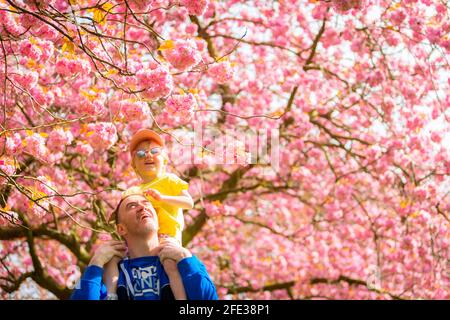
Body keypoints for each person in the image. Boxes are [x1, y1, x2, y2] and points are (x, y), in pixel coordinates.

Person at [70, 193, 218, 300]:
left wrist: (184, 259)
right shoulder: (110, 273)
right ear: (121, 229)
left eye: (146, 203)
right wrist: (96, 263)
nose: (142, 207)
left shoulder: (184, 262)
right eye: (132, 206)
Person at [104, 129, 194, 299]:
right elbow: (122, 214)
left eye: (154, 151)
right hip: (139, 243)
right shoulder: (132, 190)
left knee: (170, 265)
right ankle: (111, 294)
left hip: (167, 237)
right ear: (134, 165)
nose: (148, 155)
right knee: (111, 256)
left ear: (165, 159)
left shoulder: (170, 180)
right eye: (140, 153)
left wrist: (163, 198)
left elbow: (188, 202)